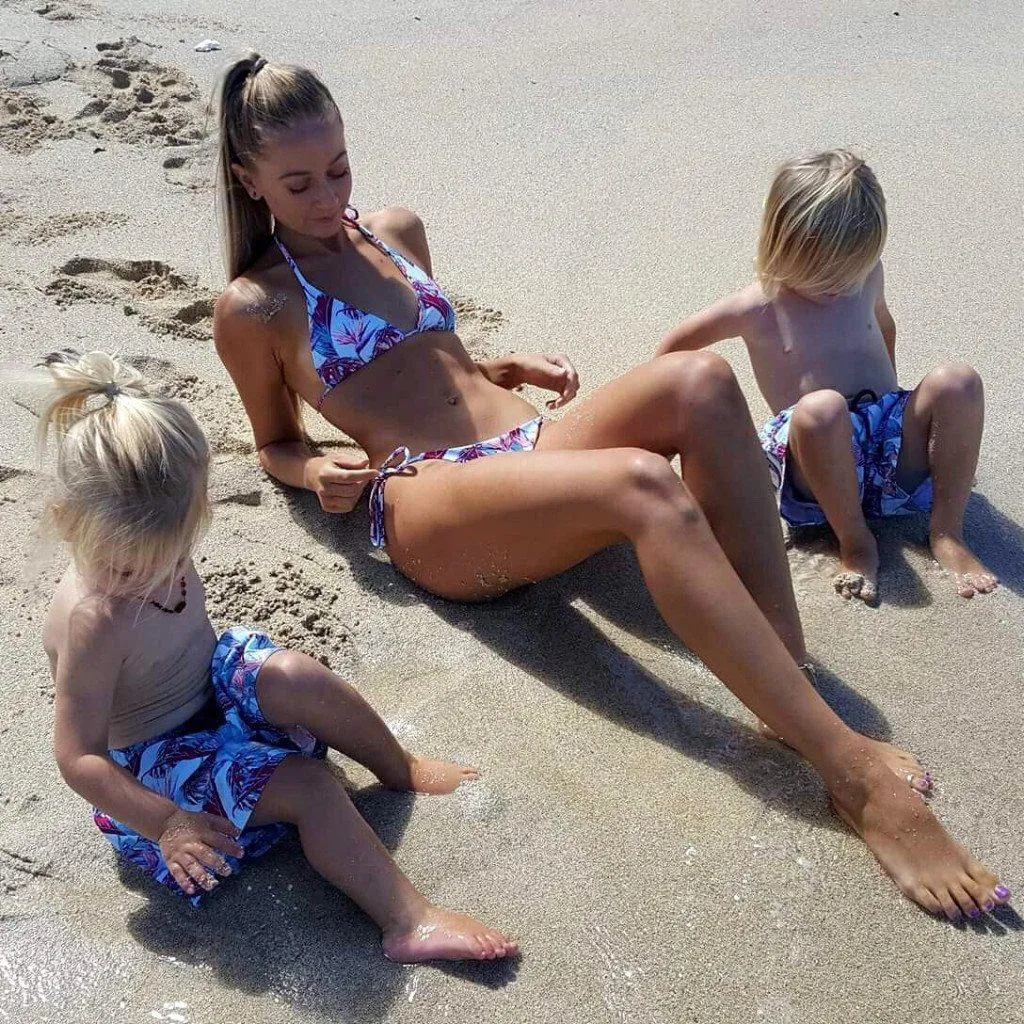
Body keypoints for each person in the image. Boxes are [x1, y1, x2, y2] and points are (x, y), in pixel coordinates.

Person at [213, 56, 1009, 920]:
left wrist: (499, 365)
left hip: (530, 445)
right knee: (640, 485)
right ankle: (849, 774)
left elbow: (435, 363)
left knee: (700, 379)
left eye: (338, 168)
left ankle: (790, 681)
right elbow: (275, 442)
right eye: (298, 184)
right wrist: (313, 467)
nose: (328, 196)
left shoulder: (395, 229)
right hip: (430, 500)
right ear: (246, 179)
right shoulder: (255, 306)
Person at [38, 350, 518, 963]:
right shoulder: (95, 618)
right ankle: (408, 920)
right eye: (131, 565)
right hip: (158, 767)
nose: (157, 576)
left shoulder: (154, 536)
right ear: (71, 522)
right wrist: (165, 824)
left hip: (210, 689)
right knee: (310, 787)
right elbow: (78, 756)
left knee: (296, 675)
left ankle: (398, 766)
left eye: (173, 551)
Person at [657, 149, 997, 604]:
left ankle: (946, 531)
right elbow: (670, 356)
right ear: (785, 246)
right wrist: (689, 451)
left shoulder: (866, 275)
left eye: (852, 271)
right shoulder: (757, 306)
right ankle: (855, 541)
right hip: (815, 462)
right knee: (823, 408)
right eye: (825, 276)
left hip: (886, 451)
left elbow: (886, 327)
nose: (842, 286)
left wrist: (901, 409)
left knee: (960, 381)